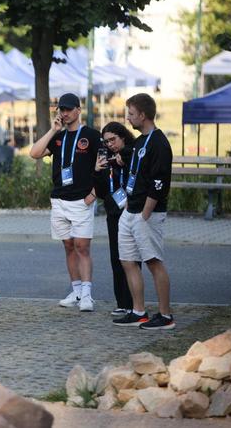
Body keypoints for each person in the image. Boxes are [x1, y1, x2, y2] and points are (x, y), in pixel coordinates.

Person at [29, 93, 100, 312]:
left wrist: (95, 193)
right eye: (61, 109)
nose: (65, 113)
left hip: (81, 200)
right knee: (68, 246)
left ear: (79, 110)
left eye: (69, 109)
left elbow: (104, 165)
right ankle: (76, 291)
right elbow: (34, 153)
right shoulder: (58, 137)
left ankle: (87, 294)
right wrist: (53, 130)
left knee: (82, 247)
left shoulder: (91, 135)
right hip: (59, 199)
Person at [113, 93, 174, 330]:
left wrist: (145, 213)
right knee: (128, 261)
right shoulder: (139, 142)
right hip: (131, 210)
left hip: (147, 213)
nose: (128, 119)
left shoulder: (159, 143)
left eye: (130, 113)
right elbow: (133, 172)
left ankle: (165, 316)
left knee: (153, 262)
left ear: (143, 115)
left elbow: (159, 182)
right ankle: (138, 311)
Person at [93, 122, 136, 316]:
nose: (110, 144)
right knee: (116, 258)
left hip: (132, 212)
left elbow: (132, 154)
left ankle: (136, 303)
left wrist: (121, 160)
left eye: (113, 139)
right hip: (113, 212)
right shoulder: (108, 159)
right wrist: (98, 170)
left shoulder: (130, 153)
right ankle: (122, 302)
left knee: (132, 259)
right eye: (106, 141)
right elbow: (102, 192)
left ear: (123, 137)